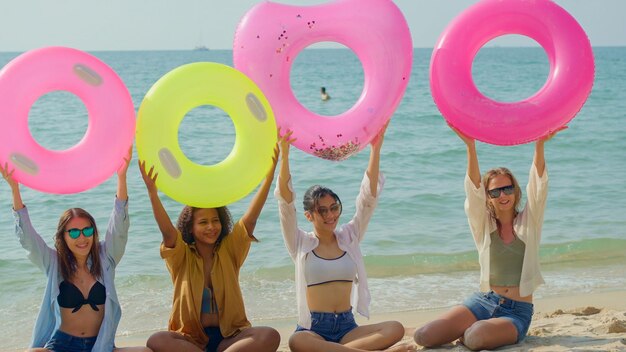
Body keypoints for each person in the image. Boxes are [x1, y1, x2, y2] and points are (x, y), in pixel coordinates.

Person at [413, 125, 566, 351]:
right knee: (423, 336)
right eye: (495, 192)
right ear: (489, 197)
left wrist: (539, 144)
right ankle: (474, 326)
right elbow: (473, 191)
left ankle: (479, 330)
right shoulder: (483, 225)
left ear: (515, 190)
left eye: (507, 189)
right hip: (484, 301)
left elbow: (538, 186)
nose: (502, 195)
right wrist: (470, 146)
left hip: (517, 311)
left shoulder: (529, 221)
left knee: (475, 337)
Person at [276, 125, 414, 352]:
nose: (331, 215)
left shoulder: (349, 236)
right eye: (322, 211)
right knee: (297, 342)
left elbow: (367, 200)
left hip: (348, 328)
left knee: (395, 328)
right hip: (314, 329)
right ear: (309, 216)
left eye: (334, 207)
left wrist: (375, 149)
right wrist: (285, 156)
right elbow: (285, 205)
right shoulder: (300, 243)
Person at [1, 150, 151, 352]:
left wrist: (121, 177)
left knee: (145, 351)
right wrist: (14, 189)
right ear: (63, 236)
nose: (82, 238)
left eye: (87, 230)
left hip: (99, 345)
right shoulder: (54, 263)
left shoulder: (106, 258)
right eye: (73, 233)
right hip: (62, 345)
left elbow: (119, 228)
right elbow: (28, 239)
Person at [139, 144, 281, 352]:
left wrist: (268, 178)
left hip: (230, 338)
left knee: (270, 335)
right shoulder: (181, 256)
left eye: (215, 220)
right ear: (191, 227)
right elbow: (168, 233)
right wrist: (153, 193)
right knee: (156, 340)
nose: (211, 227)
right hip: (191, 340)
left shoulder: (230, 250)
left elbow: (250, 221)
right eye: (203, 222)